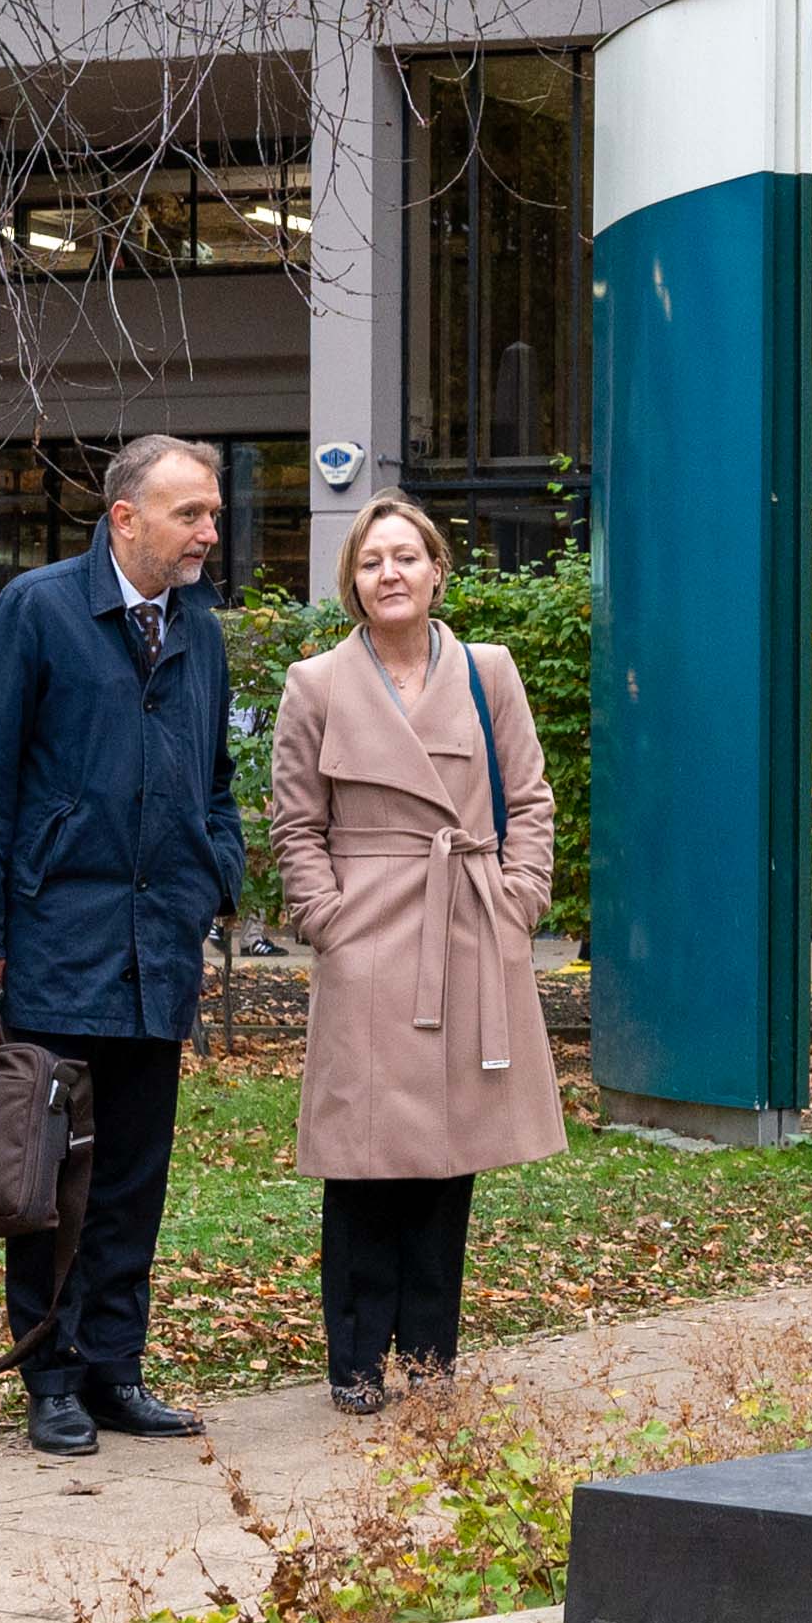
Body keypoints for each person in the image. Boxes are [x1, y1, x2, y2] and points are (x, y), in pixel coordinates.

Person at [0, 436, 242, 1457]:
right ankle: (52, 1373)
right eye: (191, 512)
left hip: (156, 947)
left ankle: (115, 1369)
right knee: (53, 1176)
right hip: (57, 943)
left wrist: (216, 874)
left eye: (211, 512)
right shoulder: (36, 609)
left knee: (131, 1177)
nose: (211, 530)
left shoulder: (198, 627)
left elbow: (213, 783)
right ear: (124, 517)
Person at [268, 495, 561, 1409]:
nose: (388, 574)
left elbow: (533, 797)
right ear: (352, 582)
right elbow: (294, 824)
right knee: (363, 1158)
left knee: (447, 1155)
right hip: (368, 936)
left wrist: (517, 903)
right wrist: (330, 922)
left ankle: (431, 1358)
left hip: (469, 925)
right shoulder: (314, 683)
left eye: (405, 557)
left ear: (437, 571)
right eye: (369, 561)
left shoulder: (489, 671)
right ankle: (356, 1363)